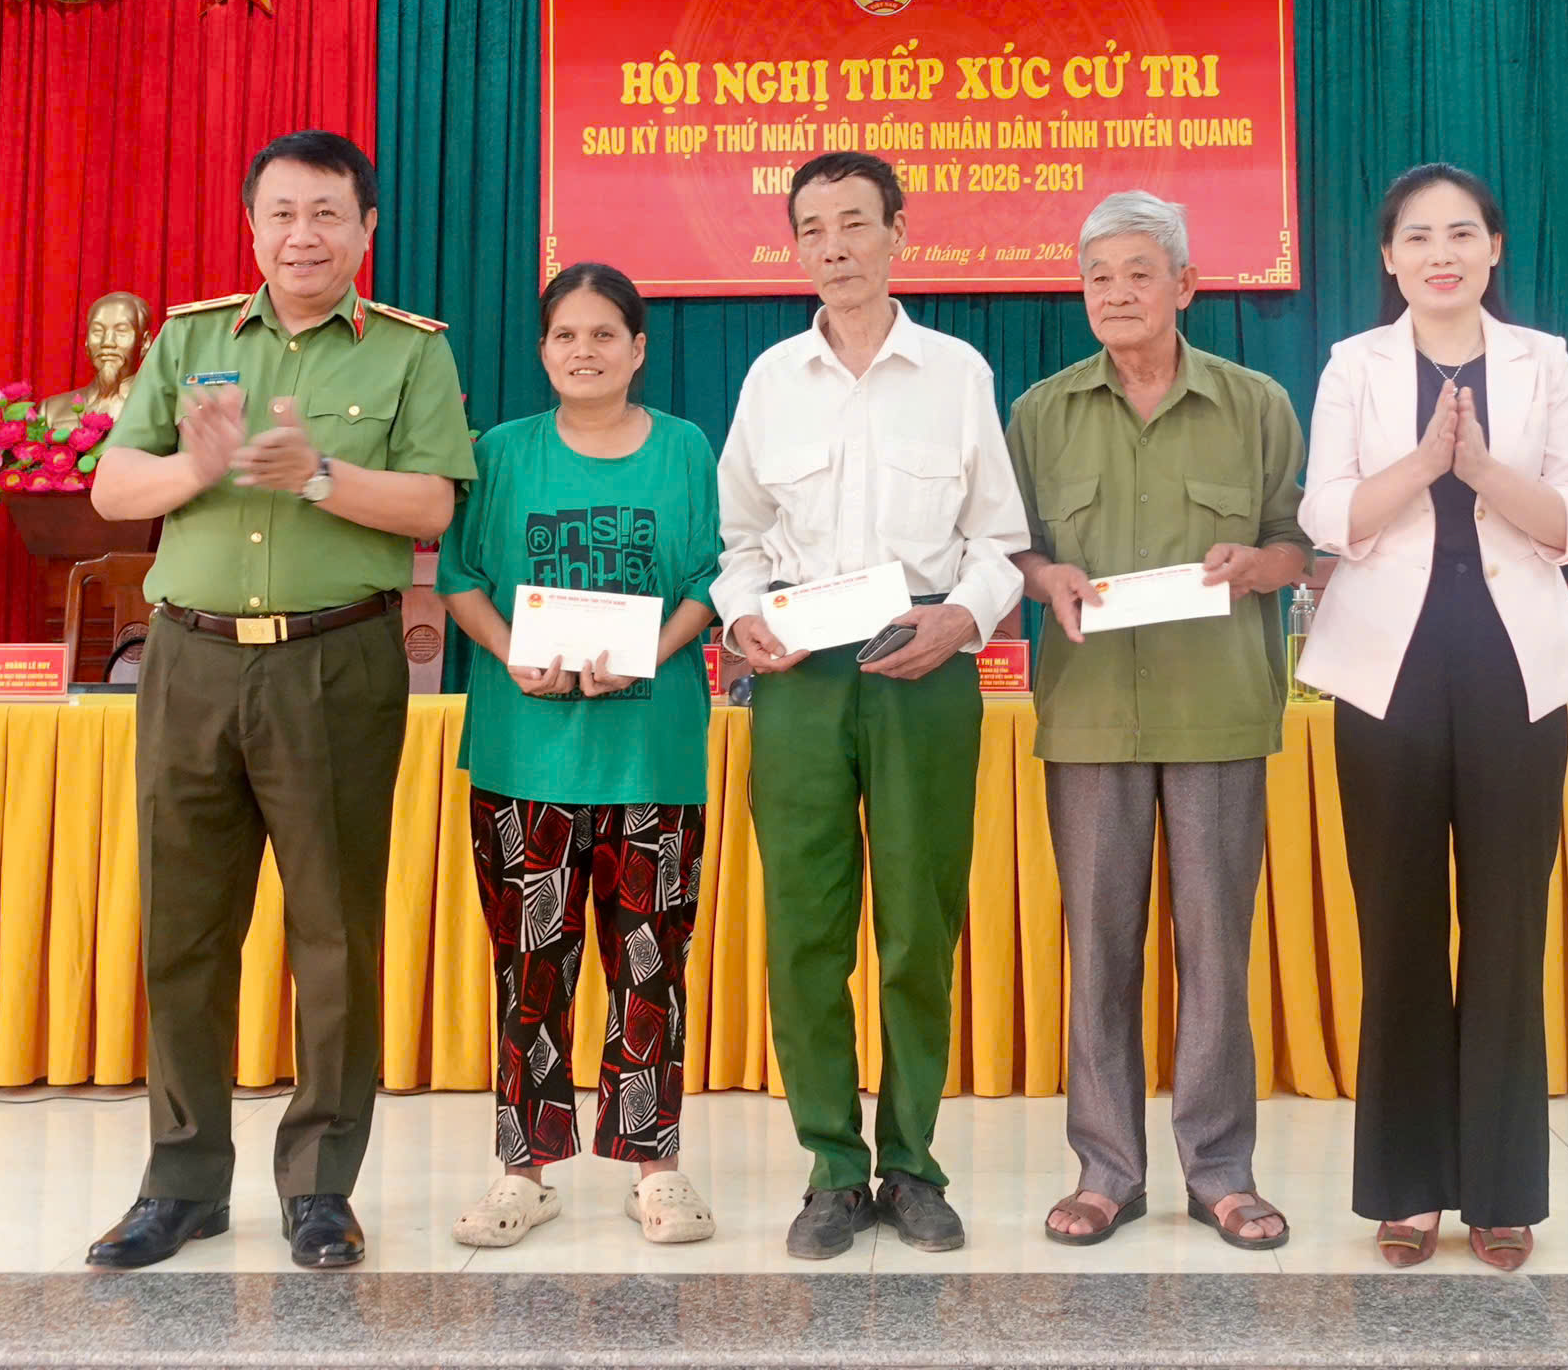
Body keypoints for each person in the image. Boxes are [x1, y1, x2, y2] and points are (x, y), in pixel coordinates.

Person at [84, 130, 477, 1270]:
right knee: (184, 929)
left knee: (335, 935)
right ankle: (181, 1184)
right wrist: (197, 470)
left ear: (366, 228)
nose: (303, 236)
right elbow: (113, 487)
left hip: (333, 662)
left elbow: (434, 507)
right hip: (191, 660)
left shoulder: (409, 352)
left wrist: (316, 474)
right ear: (251, 225)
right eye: (283, 214)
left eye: (326, 214)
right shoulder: (190, 338)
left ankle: (319, 1187)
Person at [714, 150, 1028, 1260]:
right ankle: (831, 1171)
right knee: (806, 928)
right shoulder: (770, 380)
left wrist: (963, 619)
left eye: (855, 223)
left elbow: (999, 540)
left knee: (917, 926)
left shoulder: (955, 374)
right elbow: (740, 543)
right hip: (802, 676)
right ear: (794, 247)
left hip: (921, 666)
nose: (835, 247)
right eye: (813, 229)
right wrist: (742, 617)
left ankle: (912, 1165)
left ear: (899, 231)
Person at [1293, 163, 1568, 1272]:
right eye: (1417, 236)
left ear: (1493, 248)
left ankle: (1503, 1191)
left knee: (1509, 929)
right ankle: (1407, 1187)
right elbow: (1327, 513)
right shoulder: (1354, 364)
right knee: (1400, 931)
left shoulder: (1542, 362)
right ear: (1388, 258)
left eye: (1461, 233)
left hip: (1515, 670)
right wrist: (1426, 466)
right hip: (1389, 675)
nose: (1440, 253)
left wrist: (1480, 468)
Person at [1004, 191, 1308, 1252]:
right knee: (1099, 950)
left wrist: (1255, 566)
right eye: (1098, 276)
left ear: (1185, 285)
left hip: (1217, 709)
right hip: (1091, 716)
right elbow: (1013, 551)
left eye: (1139, 273)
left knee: (1216, 950)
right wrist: (1045, 576)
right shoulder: (1040, 412)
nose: (1117, 293)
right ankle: (1107, 1172)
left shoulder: (1256, 403)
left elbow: (1297, 547)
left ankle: (1220, 1173)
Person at [434, 262, 722, 1250]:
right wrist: (510, 648)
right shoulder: (501, 453)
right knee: (530, 971)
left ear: (638, 349)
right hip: (527, 759)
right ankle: (524, 1173)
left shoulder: (684, 449)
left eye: (605, 334)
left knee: (653, 969)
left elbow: (710, 579)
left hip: (652, 757)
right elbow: (461, 578)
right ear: (543, 349)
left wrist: (646, 651)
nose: (584, 351)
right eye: (566, 334)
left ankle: (656, 1169)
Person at [39, 290, 153, 435]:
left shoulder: (161, 409)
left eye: (121, 331)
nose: (107, 342)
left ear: (145, 342)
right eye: (97, 331)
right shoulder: (51, 411)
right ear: (86, 342)